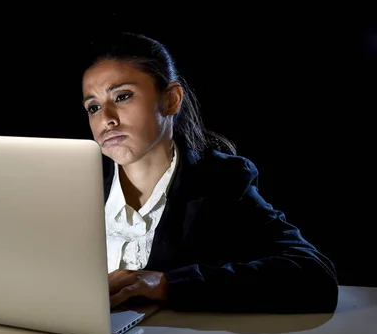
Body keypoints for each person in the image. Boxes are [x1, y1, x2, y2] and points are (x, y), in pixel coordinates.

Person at [80, 32, 338, 313]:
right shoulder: (75, 183)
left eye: (123, 96)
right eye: (93, 107)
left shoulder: (221, 181)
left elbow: (315, 274)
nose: (106, 119)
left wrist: (169, 285)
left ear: (170, 100)